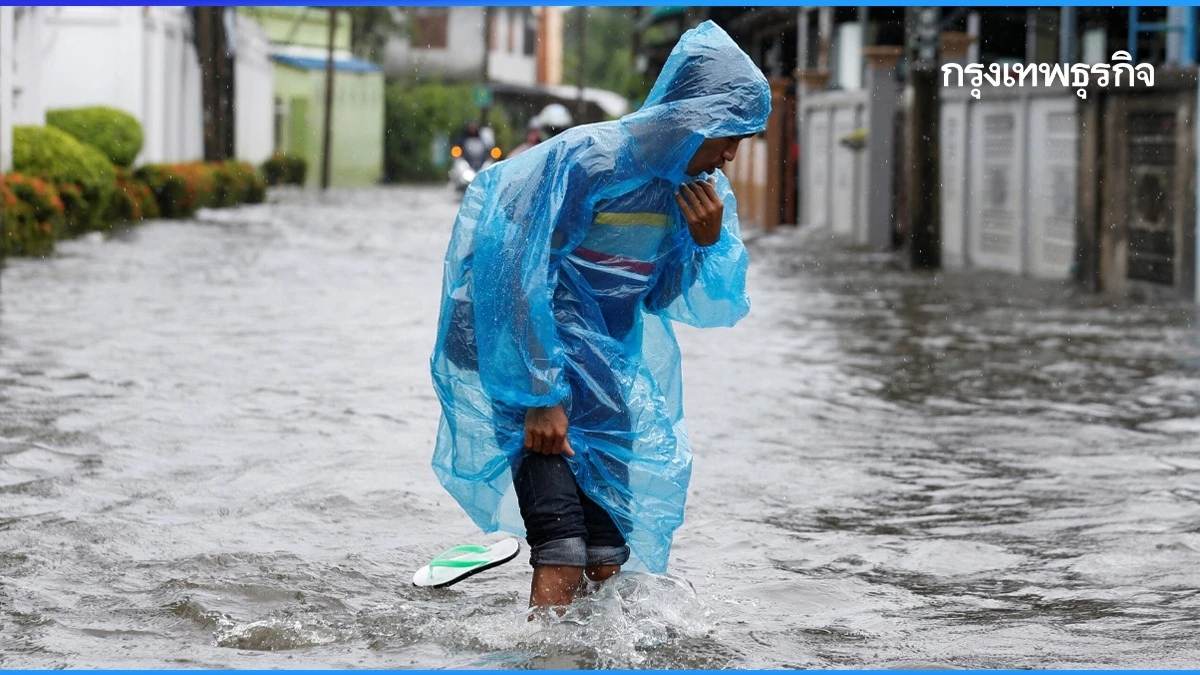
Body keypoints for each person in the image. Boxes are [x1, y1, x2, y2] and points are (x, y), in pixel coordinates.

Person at [429, 21, 770, 612]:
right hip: (534, 372)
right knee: (562, 546)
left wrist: (704, 242)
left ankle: (585, 652)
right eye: (729, 135)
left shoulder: (691, 190)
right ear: (693, 118)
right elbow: (513, 272)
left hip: (606, 382)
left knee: (607, 557)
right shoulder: (585, 162)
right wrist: (540, 395)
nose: (731, 154)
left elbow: (660, 296)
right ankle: (538, 652)